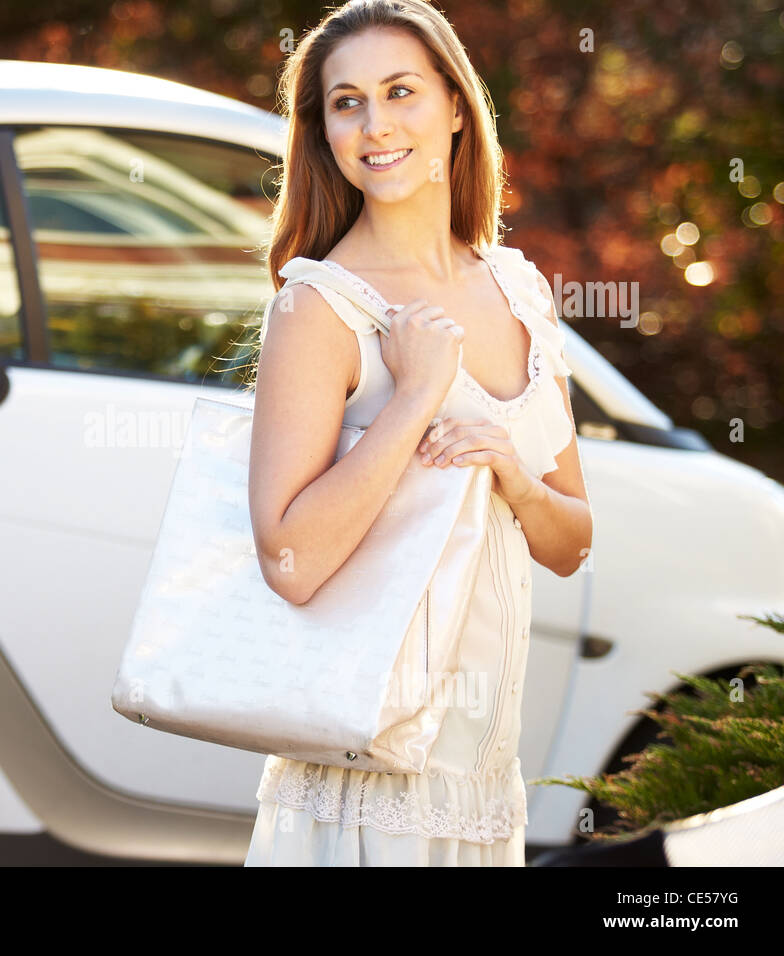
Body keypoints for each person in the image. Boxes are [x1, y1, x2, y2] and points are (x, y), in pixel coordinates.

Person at [244, 0, 593, 866]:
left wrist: (512, 471)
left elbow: (572, 540)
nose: (375, 124)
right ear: (322, 132)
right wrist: (413, 401)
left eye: (400, 92)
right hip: (366, 796)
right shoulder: (317, 307)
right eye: (346, 102)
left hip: (481, 791)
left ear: (455, 107)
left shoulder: (518, 288)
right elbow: (288, 561)